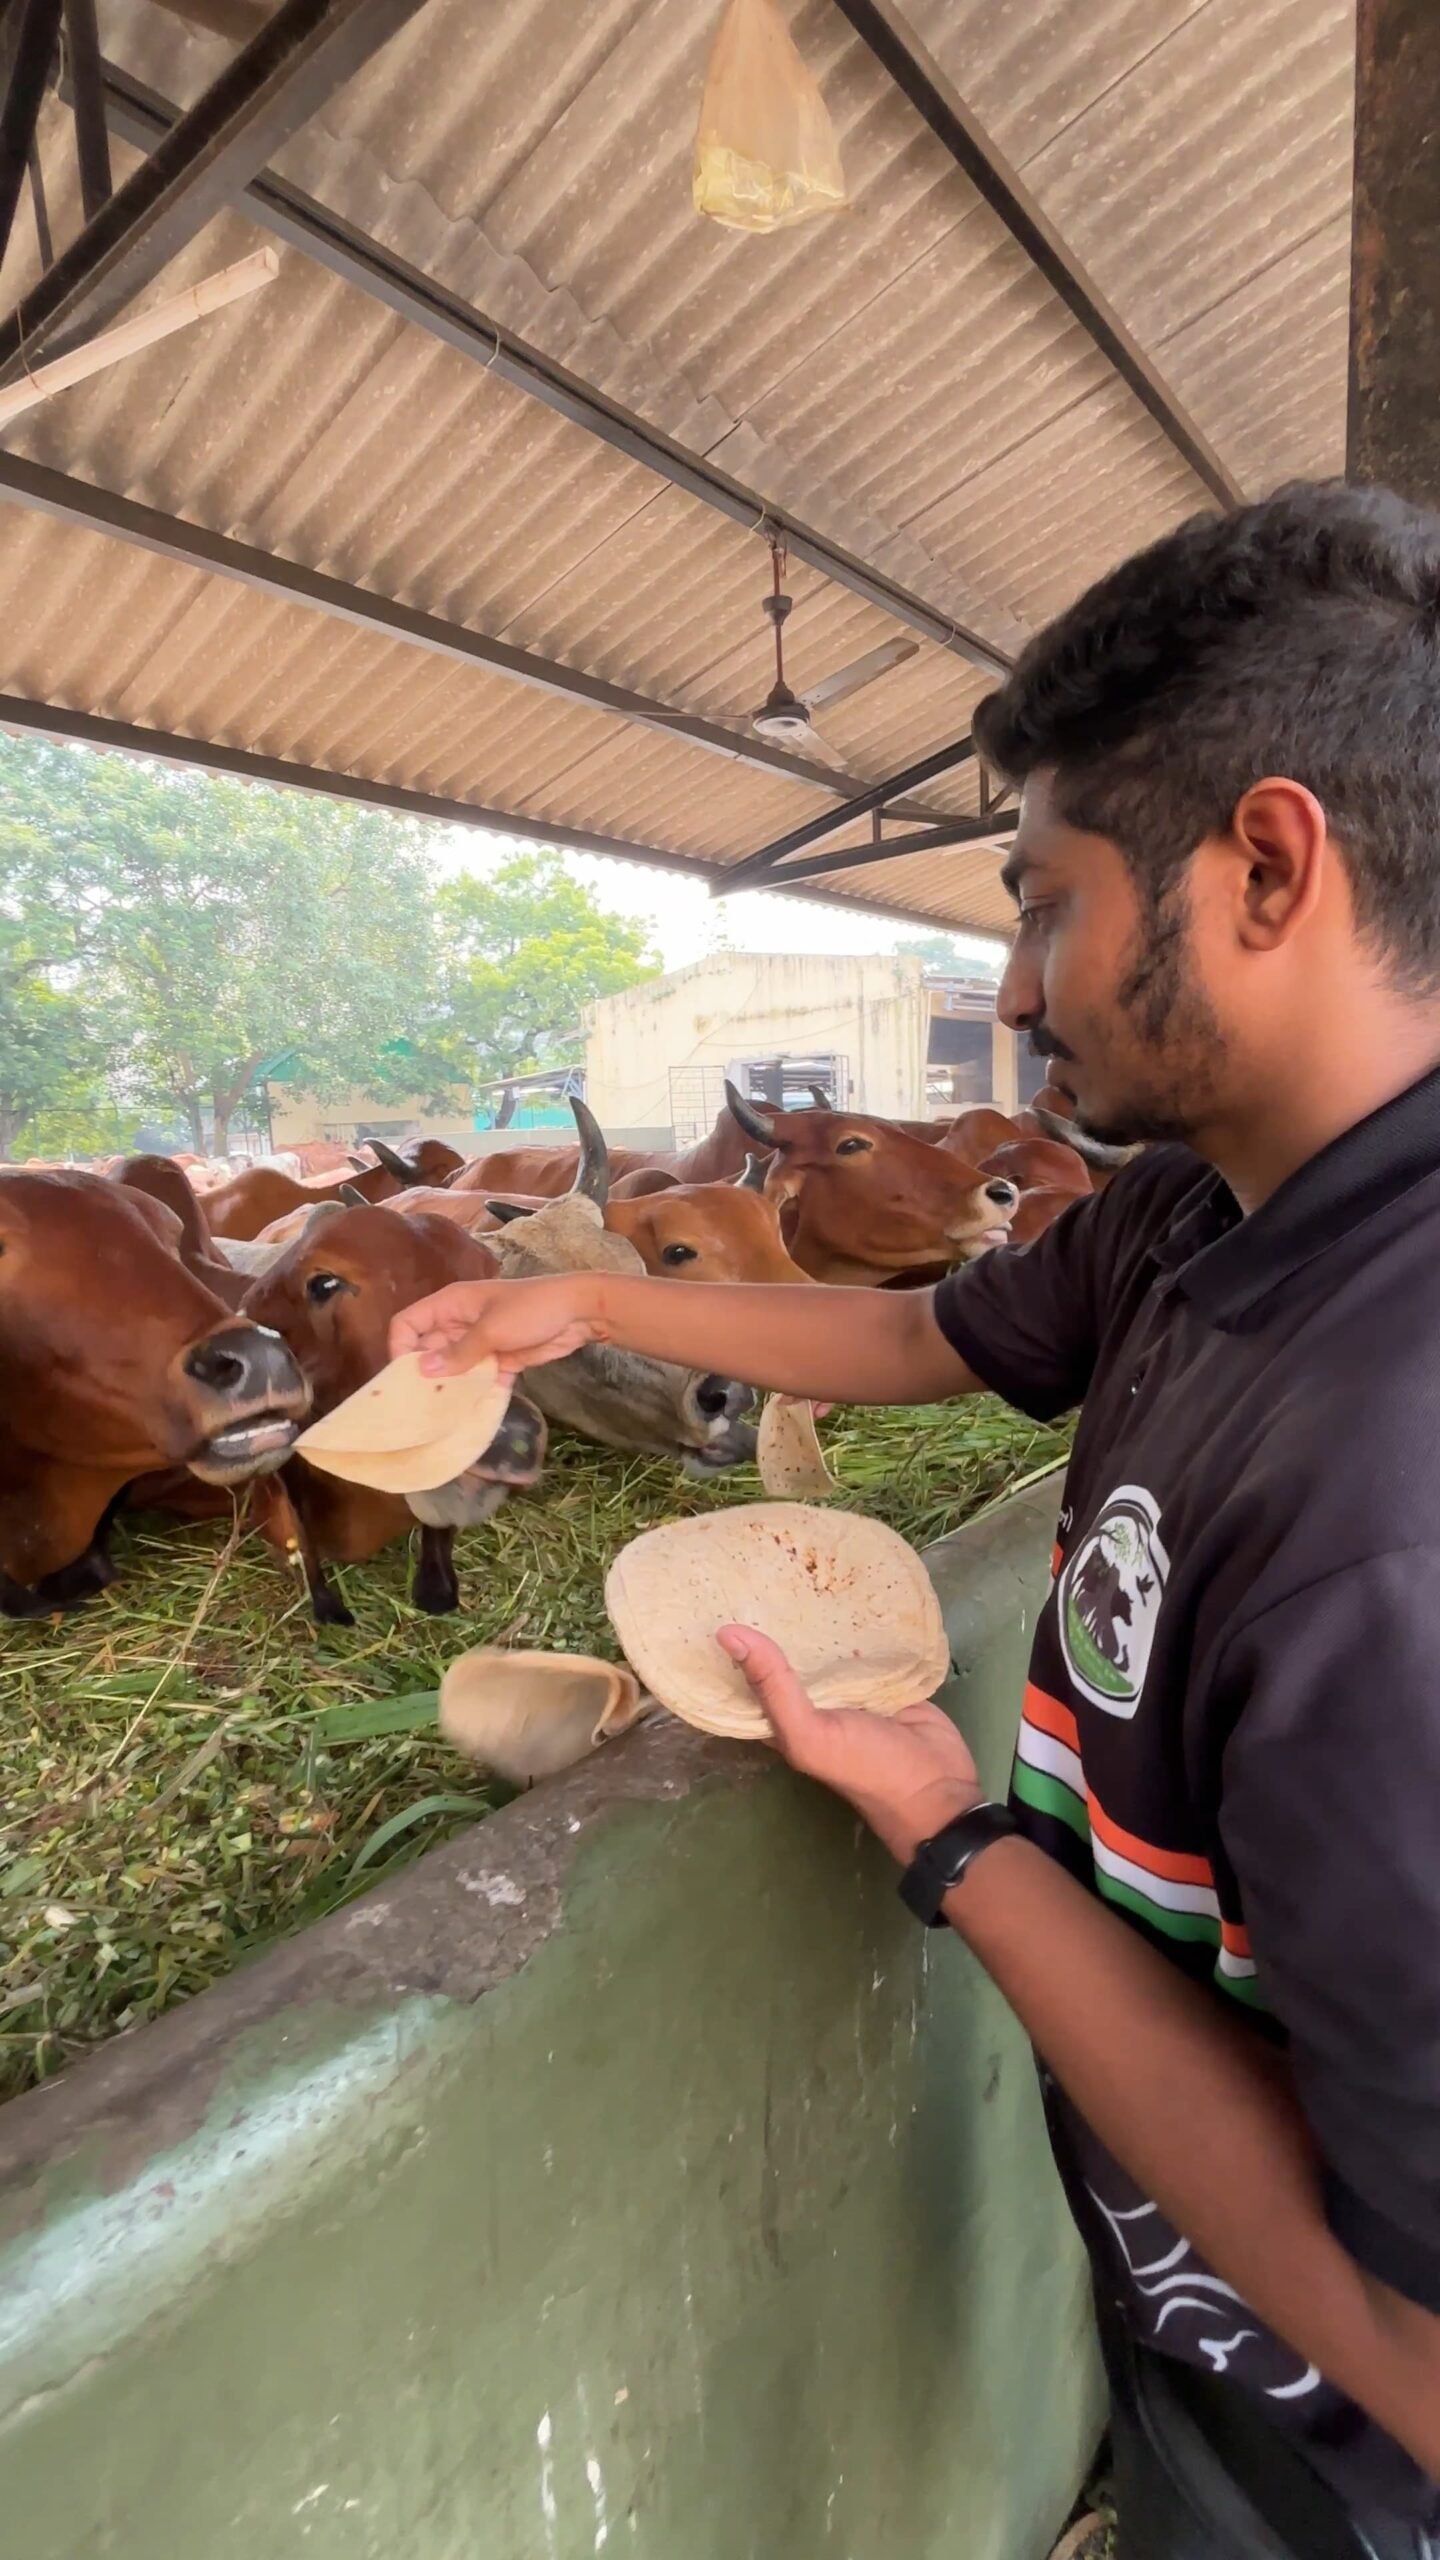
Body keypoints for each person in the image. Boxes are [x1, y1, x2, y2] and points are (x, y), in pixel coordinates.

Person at [391, 483, 1440, 2560]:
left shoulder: (1388, 1523)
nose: (1020, 992)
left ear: (1268, 864)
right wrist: (583, 1301)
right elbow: (916, 1334)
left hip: (1342, 2460)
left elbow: (1424, 2355)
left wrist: (959, 1840)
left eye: (1045, 904)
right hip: (1194, 2308)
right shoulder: (1194, 1212)